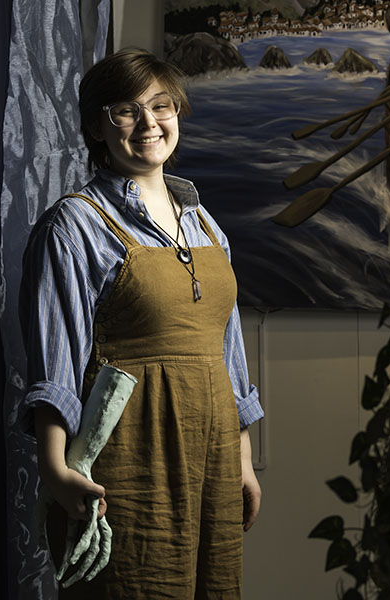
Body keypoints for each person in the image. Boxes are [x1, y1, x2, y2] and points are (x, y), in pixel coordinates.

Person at [20, 48, 264, 598]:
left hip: (216, 452)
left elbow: (228, 352)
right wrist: (56, 470)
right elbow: (56, 367)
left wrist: (243, 460)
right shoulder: (74, 227)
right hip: (131, 454)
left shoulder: (205, 223)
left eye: (161, 106)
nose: (149, 123)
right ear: (96, 128)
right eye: (126, 111)